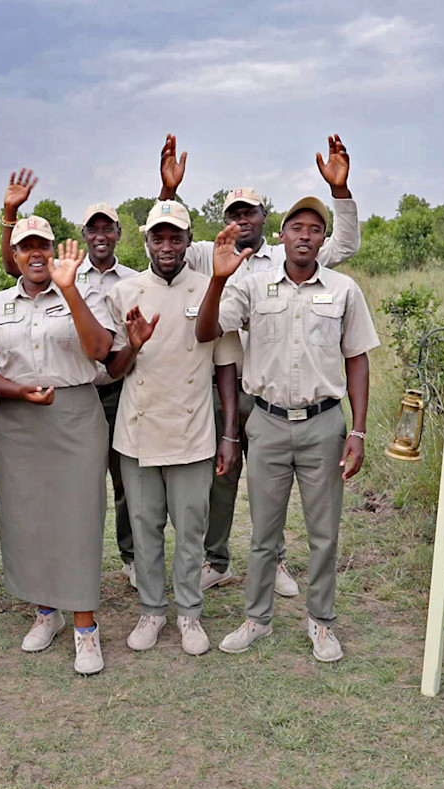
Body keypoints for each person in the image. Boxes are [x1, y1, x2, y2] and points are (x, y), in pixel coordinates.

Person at [157, 134, 361, 597]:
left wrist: (341, 192)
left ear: (267, 219)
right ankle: (218, 559)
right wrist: (168, 192)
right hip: (227, 385)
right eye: (234, 214)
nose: (241, 220)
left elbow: (345, 245)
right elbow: (165, 243)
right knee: (222, 478)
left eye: (249, 212)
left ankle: (277, 562)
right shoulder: (210, 252)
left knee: (279, 486)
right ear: (224, 220)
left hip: (283, 391)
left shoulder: (291, 253)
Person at [194, 197, 379, 662]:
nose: (304, 235)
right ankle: (256, 619)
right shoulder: (253, 287)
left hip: (323, 426)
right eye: (296, 227)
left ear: (322, 239)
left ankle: (321, 623)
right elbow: (205, 331)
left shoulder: (343, 290)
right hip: (268, 424)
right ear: (281, 236)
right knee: (263, 534)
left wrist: (357, 431)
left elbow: (357, 359)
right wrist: (218, 279)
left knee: (324, 534)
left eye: (315, 229)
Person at [0, 206, 117, 675]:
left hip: (74, 414)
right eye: (25, 246)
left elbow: (99, 351)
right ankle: (46, 612)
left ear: (53, 250)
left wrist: (71, 288)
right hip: (17, 420)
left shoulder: (82, 290)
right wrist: (16, 391)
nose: (35, 253)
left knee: (77, 516)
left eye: (42, 245)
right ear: (13, 255)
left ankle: (85, 626)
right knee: (28, 517)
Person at [102, 201, 241, 655]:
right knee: (144, 527)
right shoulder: (125, 292)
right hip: (138, 430)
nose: (166, 246)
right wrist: (135, 345)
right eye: (158, 238)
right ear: (146, 241)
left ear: (187, 241)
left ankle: (189, 614)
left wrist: (228, 434)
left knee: (191, 529)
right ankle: (151, 611)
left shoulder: (210, 287)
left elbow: (224, 367)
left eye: (175, 238)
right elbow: (116, 367)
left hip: (193, 430)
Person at [0, 173, 139, 586]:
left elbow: (105, 350)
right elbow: (18, 267)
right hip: (46, 405)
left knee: (109, 490)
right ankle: (47, 601)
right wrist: (10, 213)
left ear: (117, 233)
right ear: (81, 235)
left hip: (111, 390)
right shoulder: (43, 283)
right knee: (41, 504)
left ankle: (127, 560)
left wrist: (69, 288)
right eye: (92, 228)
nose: (100, 234)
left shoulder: (111, 281)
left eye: (106, 227)